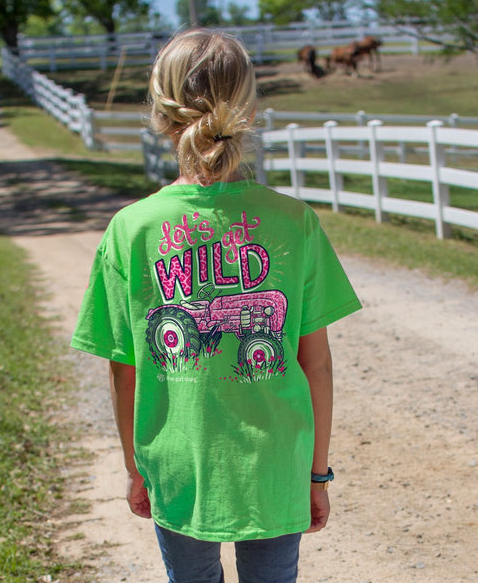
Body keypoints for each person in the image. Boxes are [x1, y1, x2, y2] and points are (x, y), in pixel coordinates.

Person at [71, 29, 362, 583]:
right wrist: (316, 472)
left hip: (177, 463)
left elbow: (123, 367)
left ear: (160, 109)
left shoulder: (132, 229)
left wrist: (136, 467)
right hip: (278, 461)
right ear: (249, 106)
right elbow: (315, 364)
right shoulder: (293, 221)